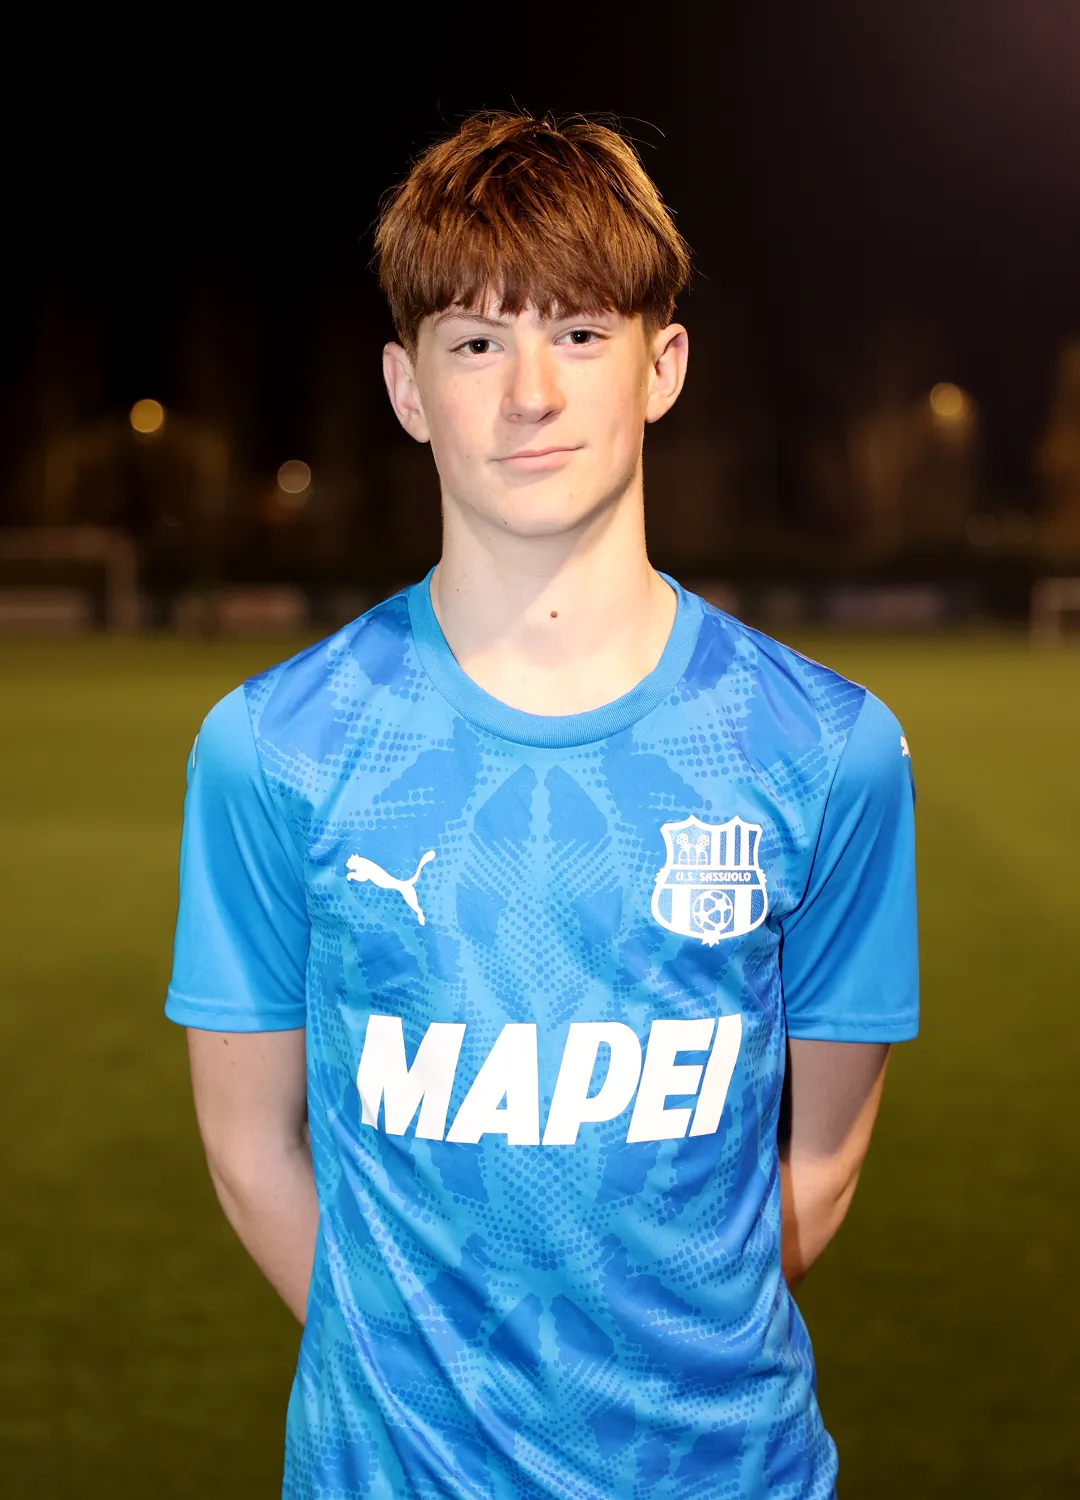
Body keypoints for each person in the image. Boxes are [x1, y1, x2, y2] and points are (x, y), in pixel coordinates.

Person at [166, 111, 918, 1500]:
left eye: (578, 333)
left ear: (662, 365)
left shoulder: (828, 749)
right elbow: (250, 1152)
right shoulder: (272, 747)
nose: (530, 393)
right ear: (406, 387)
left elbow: (819, 1161)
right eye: (474, 343)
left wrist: (638, 1383)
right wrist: (435, 1402)